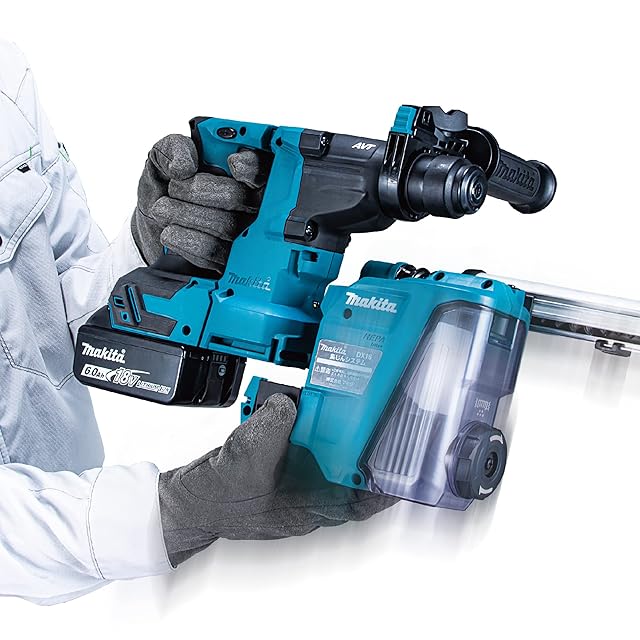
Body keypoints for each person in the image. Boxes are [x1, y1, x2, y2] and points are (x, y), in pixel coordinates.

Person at [0, 41, 395, 606]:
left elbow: (48, 302)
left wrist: (156, 257)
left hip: (90, 530)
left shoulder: (5, 72)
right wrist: (172, 513)